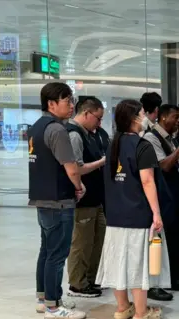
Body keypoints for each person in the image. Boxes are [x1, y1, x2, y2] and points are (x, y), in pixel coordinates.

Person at [96, 99, 164, 319]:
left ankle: (122, 308)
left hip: (115, 215)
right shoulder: (142, 146)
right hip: (137, 215)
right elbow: (147, 181)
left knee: (117, 261)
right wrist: (156, 213)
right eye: (143, 113)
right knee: (136, 263)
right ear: (135, 118)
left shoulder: (113, 143)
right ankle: (141, 313)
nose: (146, 117)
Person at [28, 82, 86, 319]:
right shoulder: (57, 130)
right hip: (59, 201)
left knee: (46, 250)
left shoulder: (36, 128)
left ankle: (44, 299)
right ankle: (54, 307)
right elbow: (71, 168)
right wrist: (79, 186)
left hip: (41, 199)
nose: (71, 106)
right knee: (57, 254)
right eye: (67, 101)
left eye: (72, 100)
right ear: (51, 103)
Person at [143, 104, 179, 294]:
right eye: (176, 117)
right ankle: (154, 284)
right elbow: (164, 166)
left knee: (174, 241)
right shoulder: (151, 138)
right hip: (163, 200)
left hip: (177, 199)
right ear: (163, 118)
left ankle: (173, 278)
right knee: (159, 242)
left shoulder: (169, 138)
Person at [66, 96, 107, 298]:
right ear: (86, 113)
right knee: (81, 243)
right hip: (83, 201)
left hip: (96, 199)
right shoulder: (75, 135)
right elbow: (76, 168)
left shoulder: (90, 134)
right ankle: (77, 284)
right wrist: (102, 162)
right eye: (98, 118)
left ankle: (90, 279)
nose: (99, 123)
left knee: (96, 241)